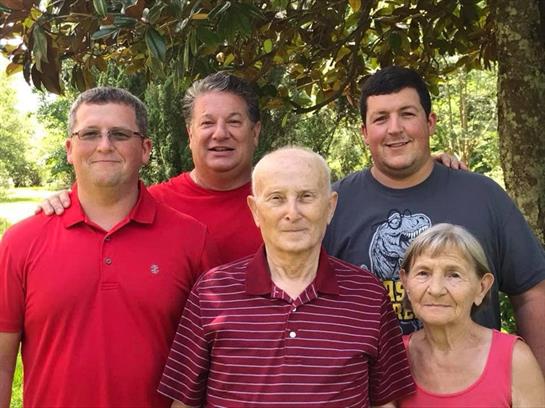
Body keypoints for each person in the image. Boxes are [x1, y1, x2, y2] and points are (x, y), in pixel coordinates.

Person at [37, 72, 463, 263]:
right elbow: (104, 206)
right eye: (207, 123)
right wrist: (64, 199)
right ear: (190, 133)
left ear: (256, 131)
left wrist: (431, 166)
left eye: (234, 122)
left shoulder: (295, 203)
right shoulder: (153, 203)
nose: (220, 134)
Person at [0, 87, 220, 407]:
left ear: (145, 149)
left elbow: (211, 364)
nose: (104, 145)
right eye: (90, 134)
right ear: (70, 149)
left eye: (119, 134)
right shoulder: (21, 242)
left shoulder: (192, 240)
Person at [323, 66, 545, 372]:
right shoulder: (332, 206)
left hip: (474, 386)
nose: (394, 128)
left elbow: (532, 292)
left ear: (430, 122)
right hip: (367, 388)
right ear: (364, 132)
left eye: (407, 114)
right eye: (380, 118)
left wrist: (537, 380)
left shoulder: (483, 196)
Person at [158, 147, 415, 407]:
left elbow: (386, 403)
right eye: (277, 198)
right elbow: (183, 403)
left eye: (306, 196)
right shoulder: (211, 292)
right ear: (255, 211)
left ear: (330, 207)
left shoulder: (369, 296)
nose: (292, 213)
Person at [398, 223, 545, 407]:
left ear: (482, 287)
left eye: (454, 275)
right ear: (406, 283)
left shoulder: (514, 360)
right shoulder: (395, 358)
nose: (435, 289)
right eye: (423, 273)